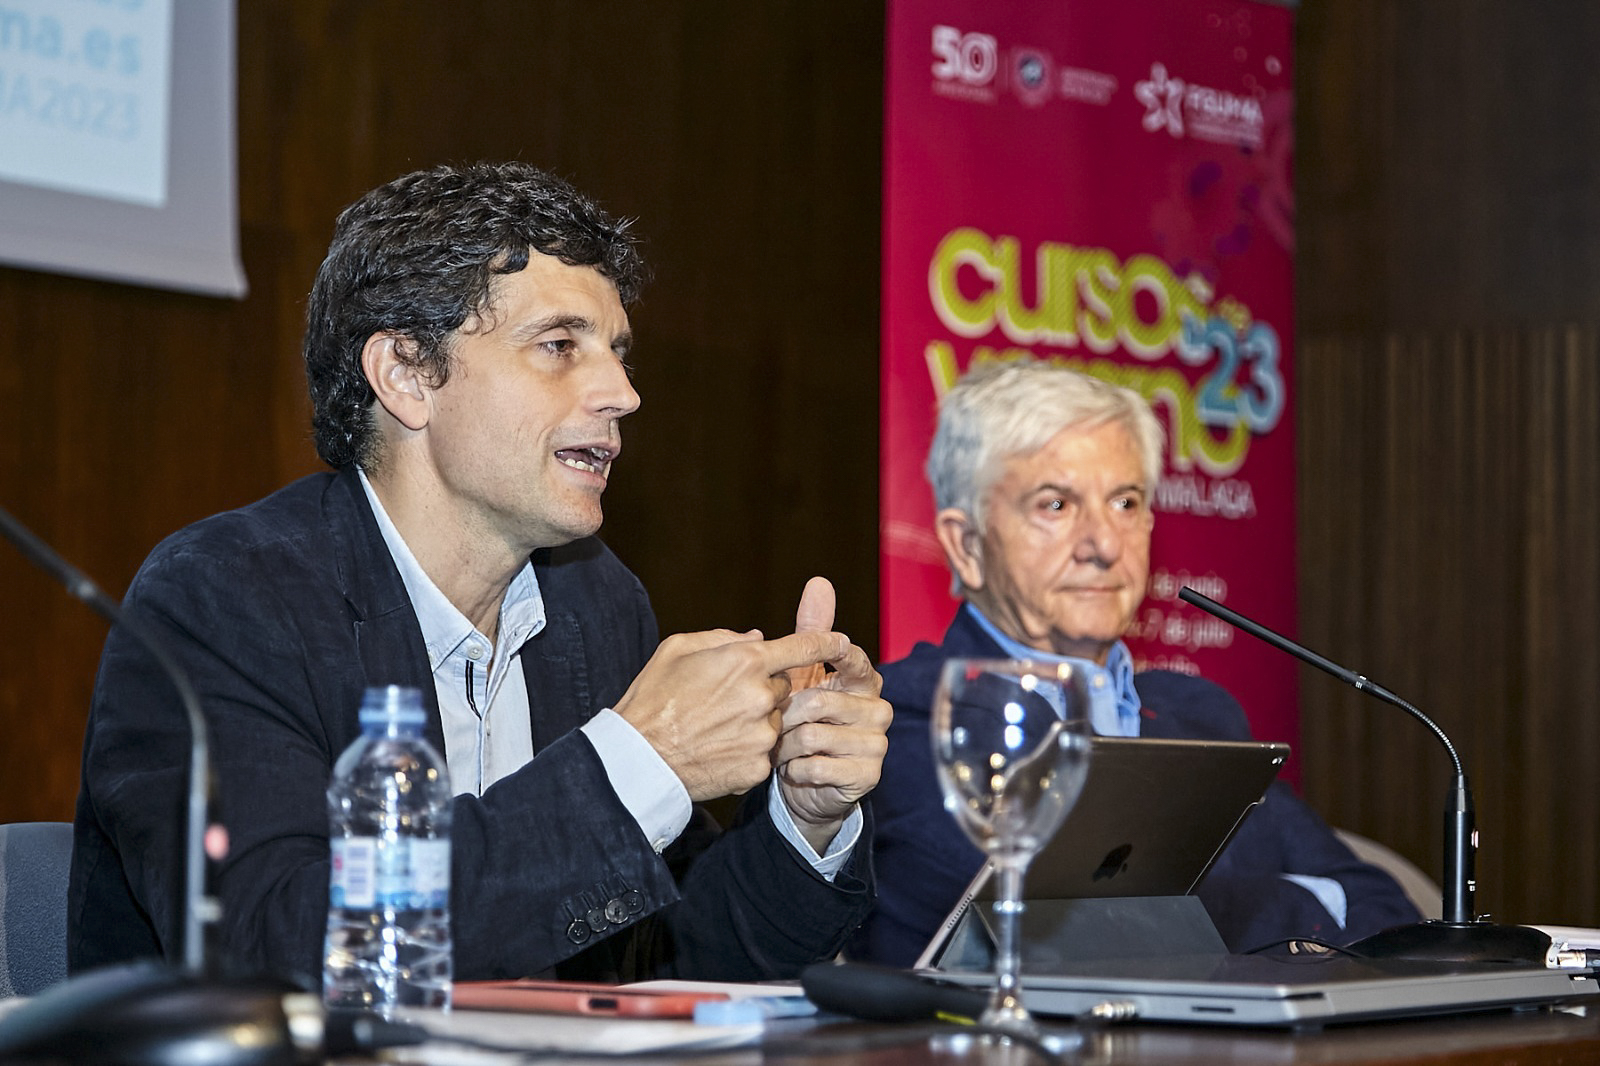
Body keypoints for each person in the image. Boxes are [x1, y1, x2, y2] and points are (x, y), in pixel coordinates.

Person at [68, 162, 891, 989]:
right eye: (560, 345)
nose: (623, 393)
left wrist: (806, 817)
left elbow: (677, 955)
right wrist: (644, 761)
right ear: (407, 374)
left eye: (618, 353)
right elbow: (279, 945)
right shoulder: (223, 598)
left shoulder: (592, 600)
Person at [850, 360, 1421, 966]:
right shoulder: (907, 716)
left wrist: (1224, 911)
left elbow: (1385, 909)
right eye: (1056, 505)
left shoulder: (1198, 714)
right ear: (967, 545)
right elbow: (1075, 935)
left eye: (1125, 501)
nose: (1103, 544)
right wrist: (1306, 904)